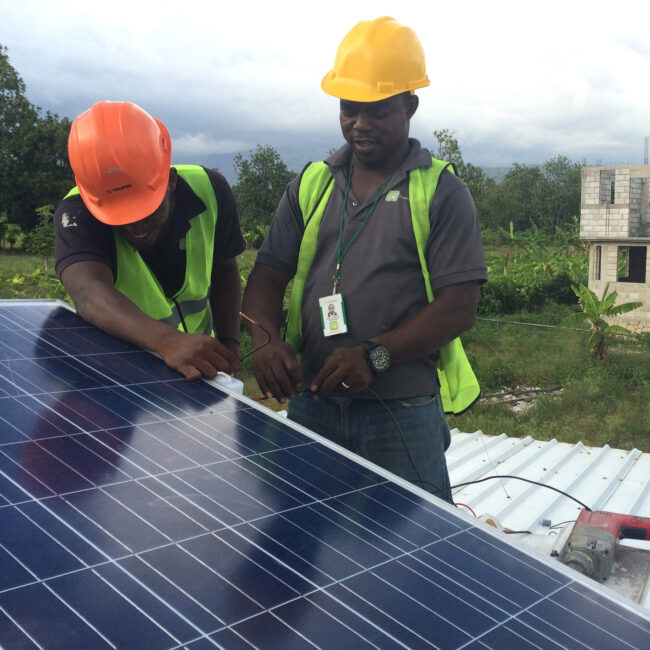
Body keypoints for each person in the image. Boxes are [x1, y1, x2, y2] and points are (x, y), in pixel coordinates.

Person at [242, 17, 487, 502]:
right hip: (312, 402)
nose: (360, 124)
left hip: (399, 411)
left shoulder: (440, 191)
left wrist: (373, 356)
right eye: (349, 109)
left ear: (410, 106)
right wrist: (266, 341)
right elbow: (267, 277)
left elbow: (459, 306)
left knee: (410, 555)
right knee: (300, 539)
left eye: (377, 111)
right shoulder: (312, 184)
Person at [54, 101, 245, 380]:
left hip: (200, 370)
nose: (135, 225)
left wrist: (229, 347)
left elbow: (225, 268)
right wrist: (167, 341)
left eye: (146, 207)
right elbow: (88, 290)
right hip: (125, 373)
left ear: (170, 180)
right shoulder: (78, 214)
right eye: (118, 212)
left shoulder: (211, 190)